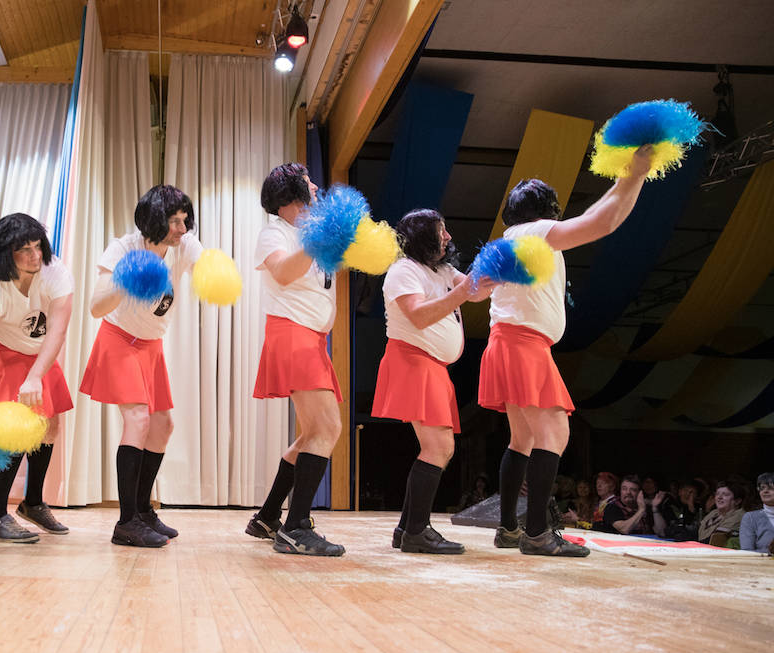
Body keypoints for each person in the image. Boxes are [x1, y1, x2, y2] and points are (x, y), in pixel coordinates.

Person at [482, 146, 653, 557]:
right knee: (555, 433)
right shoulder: (535, 233)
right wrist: (636, 176)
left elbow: (600, 214)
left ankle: (509, 529)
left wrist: (625, 179)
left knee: (522, 438)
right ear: (547, 211)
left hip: (505, 341)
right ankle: (537, 534)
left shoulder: (511, 239)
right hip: (523, 343)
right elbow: (602, 222)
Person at [81, 185, 202, 548]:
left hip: (151, 345)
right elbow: (96, 307)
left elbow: (206, 267)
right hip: (119, 340)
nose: (182, 229)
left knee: (162, 425)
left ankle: (144, 511)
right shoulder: (123, 248)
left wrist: (216, 274)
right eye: (174, 221)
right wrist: (127, 280)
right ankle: (126, 521)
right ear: (154, 220)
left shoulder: (184, 246)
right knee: (137, 420)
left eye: (185, 220)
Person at [369, 209, 493, 554]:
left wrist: (501, 273)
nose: (448, 237)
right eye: (441, 232)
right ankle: (416, 532)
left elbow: (474, 292)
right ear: (423, 237)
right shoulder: (403, 270)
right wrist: (463, 291)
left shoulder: (442, 270)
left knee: (437, 448)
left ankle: (408, 528)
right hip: (413, 362)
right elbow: (419, 316)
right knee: (439, 448)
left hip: (431, 366)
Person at [243, 163, 345, 557]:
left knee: (311, 434)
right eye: (307, 182)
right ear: (289, 193)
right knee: (327, 427)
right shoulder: (275, 232)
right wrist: (320, 239)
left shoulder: (306, 235)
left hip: (312, 339)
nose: (316, 186)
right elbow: (284, 273)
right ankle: (296, 527)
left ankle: (268, 517)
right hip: (293, 334)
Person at [0, 214, 74, 539]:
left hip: (41, 355)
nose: (35, 255)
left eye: (37, 246)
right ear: (5, 253)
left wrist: (36, 375)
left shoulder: (56, 273)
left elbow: (57, 332)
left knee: (49, 427)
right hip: (6, 353)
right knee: (16, 429)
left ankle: (33, 503)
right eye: (24, 250)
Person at [698, 480, 745, 547]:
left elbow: (715, 540)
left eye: (725, 494)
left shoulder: (739, 515)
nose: (719, 497)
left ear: (737, 501)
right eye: (717, 494)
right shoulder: (713, 513)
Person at [739, 473, 774, 553]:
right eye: (762, 488)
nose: (765, 491)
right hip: (761, 561)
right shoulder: (750, 518)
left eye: (771, 488)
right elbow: (747, 552)